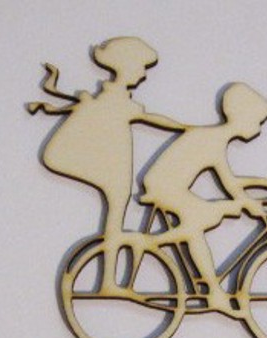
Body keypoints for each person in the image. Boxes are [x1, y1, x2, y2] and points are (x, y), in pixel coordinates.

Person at [29, 37, 185, 289]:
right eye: (141, 67)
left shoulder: (110, 97)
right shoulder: (119, 101)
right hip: (110, 161)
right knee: (117, 210)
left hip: (112, 159)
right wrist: (187, 127)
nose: (143, 74)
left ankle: (108, 280)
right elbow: (153, 119)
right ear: (128, 66)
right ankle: (108, 281)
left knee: (117, 211)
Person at [140, 82, 267, 311]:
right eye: (257, 122)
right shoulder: (213, 140)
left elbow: (228, 179)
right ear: (241, 117)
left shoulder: (213, 137)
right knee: (205, 218)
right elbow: (227, 181)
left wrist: (243, 198)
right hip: (164, 187)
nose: (258, 128)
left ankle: (212, 291)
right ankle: (154, 244)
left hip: (167, 185)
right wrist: (245, 203)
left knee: (205, 220)